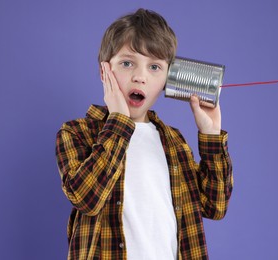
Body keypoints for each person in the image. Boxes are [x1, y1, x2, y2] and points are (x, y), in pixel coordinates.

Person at [55, 8, 233, 260]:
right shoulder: (77, 132)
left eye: (154, 67)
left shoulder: (173, 142)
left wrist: (211, 134)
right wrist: (118, 121)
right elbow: (86, 198)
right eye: (127, 63)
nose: (140, 77)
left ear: (167, 80)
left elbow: (214, 206)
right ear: (104, 71)